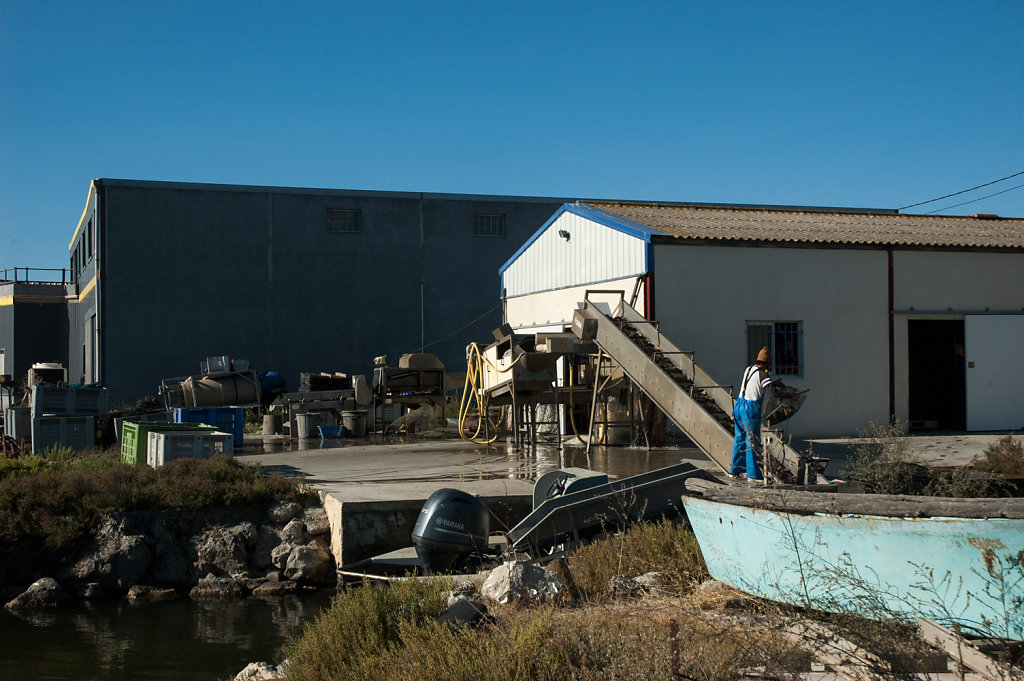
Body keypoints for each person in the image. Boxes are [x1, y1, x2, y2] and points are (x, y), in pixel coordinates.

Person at [730, 347, 786, 483]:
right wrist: (791, 395)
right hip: (749, 409)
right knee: (752, 441)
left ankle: (735, 471)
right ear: (766, 364)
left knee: (739, 439)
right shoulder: (763, 375)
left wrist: (773, 383)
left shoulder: (749, 369)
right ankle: (753, 475)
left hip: (738, 406)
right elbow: (774, 393)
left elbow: (757, 384)